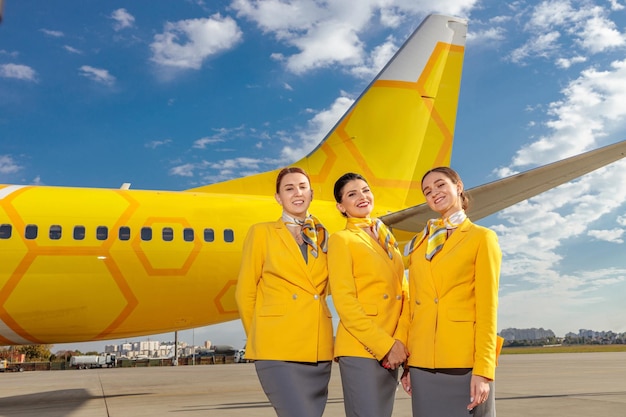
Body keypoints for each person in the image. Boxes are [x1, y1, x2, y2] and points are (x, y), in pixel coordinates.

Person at [401, 166, 502, 417]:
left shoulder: (481, 238)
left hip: (463, 362)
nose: (434, 193)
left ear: (458, 186)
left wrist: (483, 370)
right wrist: (408, 365)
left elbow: (487, 309)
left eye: (440, 185)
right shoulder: (418, 245)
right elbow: (413, 307)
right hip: (422, 364)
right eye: (427, 191)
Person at [235, 167, 334, 417]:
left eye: (302, 187)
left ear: (311, 193)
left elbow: (333, 287)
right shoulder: (261, 233)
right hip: (276, 348)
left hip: (317, 346)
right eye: (289, 188)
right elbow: (245, 293)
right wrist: (260, 338)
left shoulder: (324, 238)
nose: (297, 193)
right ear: (278, 198)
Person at [328, 172, 410, 417]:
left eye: (365, 190)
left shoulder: (388, 239)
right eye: (352, 194)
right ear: (341, 206)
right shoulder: (341, 240)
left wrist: (401, 342)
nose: (362, 196)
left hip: (393, 344)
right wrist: (385, 346)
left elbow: (403, 294)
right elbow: (345, 302)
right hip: (362, 347)